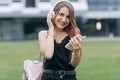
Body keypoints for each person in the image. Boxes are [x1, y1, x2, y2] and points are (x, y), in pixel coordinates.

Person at [38, 0, 85, 80]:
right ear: (53, 14)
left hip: (69, 77)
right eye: (61, 14)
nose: (64, 20)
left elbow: (74, 64)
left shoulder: (74, 33)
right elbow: (48, 55)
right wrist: (51, 27)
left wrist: (77, 50)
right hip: (48, 77)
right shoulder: (43, 34)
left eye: (68, 17)